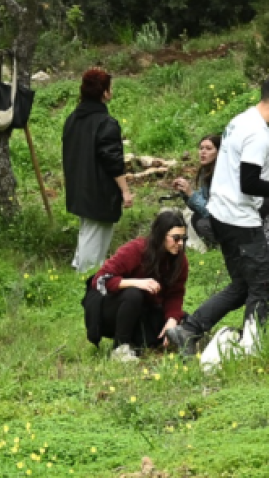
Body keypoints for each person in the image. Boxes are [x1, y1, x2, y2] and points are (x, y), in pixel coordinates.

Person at [167, 73, 269, 355]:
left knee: (244, 285)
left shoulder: (240, 120)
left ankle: (189, 330)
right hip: (240, 220)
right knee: (263, 289)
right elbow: (249, 182)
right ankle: (251, 349)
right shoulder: (257, 133)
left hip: (222, 215)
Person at [81, 210, 189, 363]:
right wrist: (136, 282)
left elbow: (175, 294)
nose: (180, 244)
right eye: (176, 238)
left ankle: (140, 342)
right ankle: (120, 348)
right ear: (160, 235)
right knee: (133, 294)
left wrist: (172, 320)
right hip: (110, 308)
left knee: (183, 319)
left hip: (143, 310)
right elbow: (100, 280)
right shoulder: (136, 249)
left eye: (183, 238)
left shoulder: (180, 261)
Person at [63, 69, 133, 272]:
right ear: (104, 92)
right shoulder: (105, 123)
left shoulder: (73, 119)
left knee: (88, 233)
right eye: (109, 88)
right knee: (95, 239)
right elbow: (113, 160)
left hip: (79, 186)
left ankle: (83, 273)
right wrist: (125, 190)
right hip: (99, 190)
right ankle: (86, 279)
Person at [173, 134, 220, 246]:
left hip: (229, 223)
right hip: (218, 220)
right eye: (201, 148)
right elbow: (202, 202)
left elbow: (212, 212)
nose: (203, 152)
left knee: (201, 222)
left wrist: (191, 194)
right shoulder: (206, 172)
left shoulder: (221, 176)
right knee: (196, 218)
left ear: (219, 152)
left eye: (208, 149)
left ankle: (219, 248)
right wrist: (185, 192)